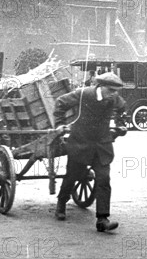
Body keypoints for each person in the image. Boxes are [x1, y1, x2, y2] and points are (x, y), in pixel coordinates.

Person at [53, 72, 127, 232]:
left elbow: (123, 108)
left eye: (116, 91)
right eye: (111, 90)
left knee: (104, 179)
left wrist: (121, 125)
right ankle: (61, 203)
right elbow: (60, 102)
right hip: (80, 144)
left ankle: (102, 219)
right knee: (72, 176)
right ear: (101, 86)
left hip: (102, 147)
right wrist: (59, 124)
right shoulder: (83, 94)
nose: (114, 94)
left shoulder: (114, 99)